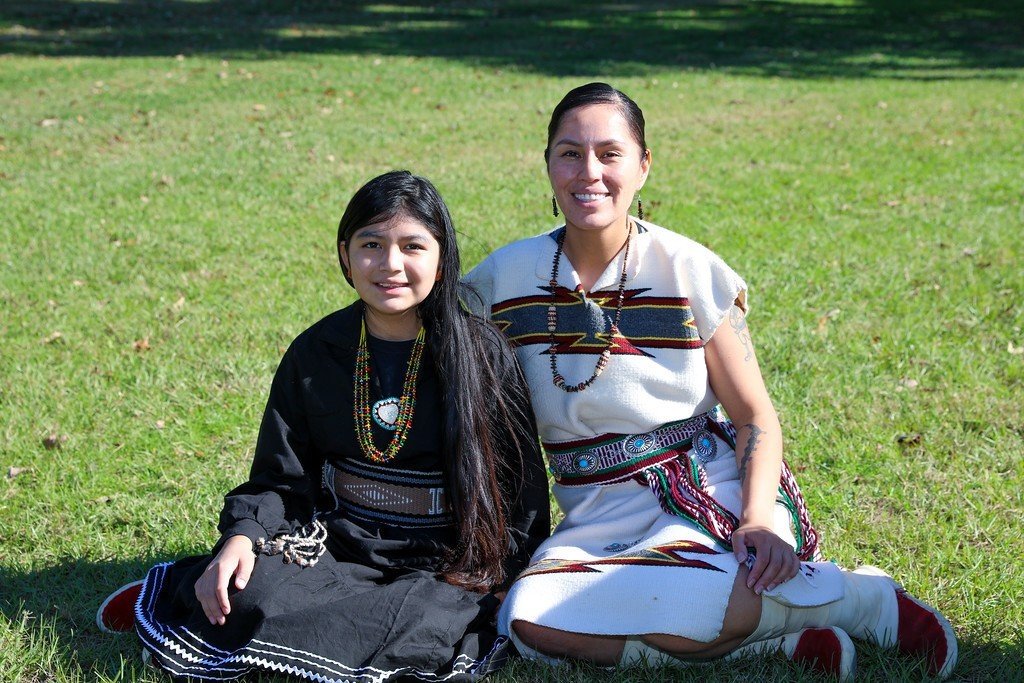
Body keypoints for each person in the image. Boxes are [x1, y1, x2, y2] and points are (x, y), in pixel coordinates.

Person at [464, 82, 957, 680]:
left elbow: (754, 417)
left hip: (699, 489)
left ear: (644, 166)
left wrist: (755, 518)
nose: (588, 171)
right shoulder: (501, 280)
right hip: (595, 513)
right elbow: (436, 347)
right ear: (547, 164)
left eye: (610, 153)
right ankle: (772, 641)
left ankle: (860, 600)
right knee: (528, 619)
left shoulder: (689, 268)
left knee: (727, 588)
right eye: (569, 153)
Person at [96, 170, 551, 682]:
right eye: (371, 245)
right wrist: (242, 538)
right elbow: (280, 478)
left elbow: (521, 490)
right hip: (335, 548)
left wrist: (512, 573)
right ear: (344, 254)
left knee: (423, 622)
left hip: (442, 564)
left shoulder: (483, 355)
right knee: (250, 589)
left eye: (413, 246)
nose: (391, 265)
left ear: (441, 258)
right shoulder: (315, 351)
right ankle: (194, 588)